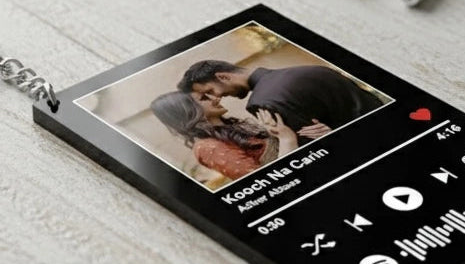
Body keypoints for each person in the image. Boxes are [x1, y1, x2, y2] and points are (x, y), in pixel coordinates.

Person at [177, 59, 384, 145]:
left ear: (223, 77)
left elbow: (315, 149)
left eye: (211, 90)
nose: (217, 97)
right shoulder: (305, 69)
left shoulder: (261, 102)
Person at [150, 90, 300, 181]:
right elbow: (263, 182)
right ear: (188, 110)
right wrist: (287, 139)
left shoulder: (230, 130)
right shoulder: (208, 147)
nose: (215, 98)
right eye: (204, 99)